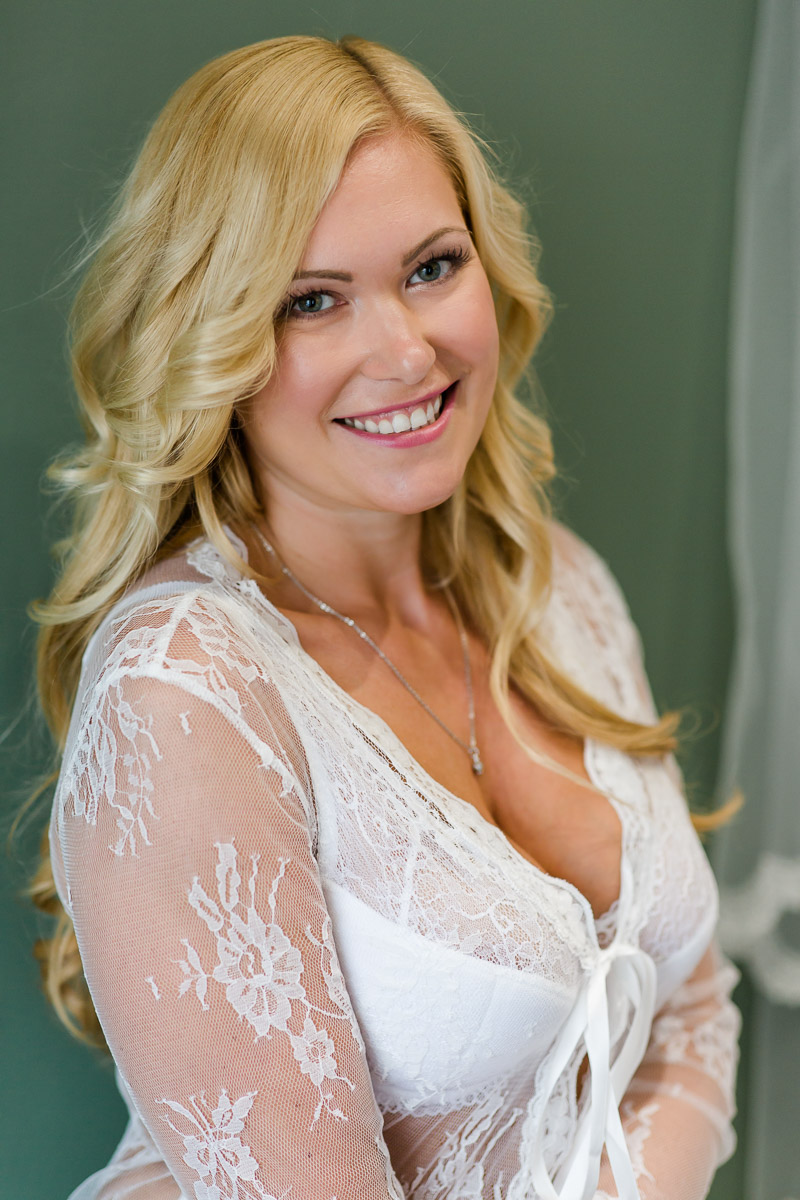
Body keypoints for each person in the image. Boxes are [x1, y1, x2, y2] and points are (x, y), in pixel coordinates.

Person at [31, 34, 740, 1200]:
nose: (406, 351)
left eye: (430, 268)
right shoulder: (186, 689)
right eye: (312, 301)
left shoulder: (558, 586)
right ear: (213, 340)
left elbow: (694, 1010)